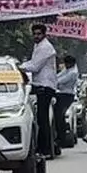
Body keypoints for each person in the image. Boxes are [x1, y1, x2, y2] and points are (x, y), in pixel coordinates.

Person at [22, 22, 59, 159]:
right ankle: (43, 147)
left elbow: (35, 66)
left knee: (42, 119)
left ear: (44, 34)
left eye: (39, 34)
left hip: (45, 85)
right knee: (40, 118)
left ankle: (45, 150)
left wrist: (19, 67)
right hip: (39, 84)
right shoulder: (38, 45)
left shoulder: (45, 47)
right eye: (35, 34)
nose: (36, 36)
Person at [54, 55, 80, 151]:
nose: (66, 65)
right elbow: (58, 76)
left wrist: (53, 82)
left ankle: (61, 137)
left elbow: (60, 81)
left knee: (59, 115)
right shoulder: (67, 70)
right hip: (61, 94)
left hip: (66, 95)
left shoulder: (73, 72)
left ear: (71, 63)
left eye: (67, 63)